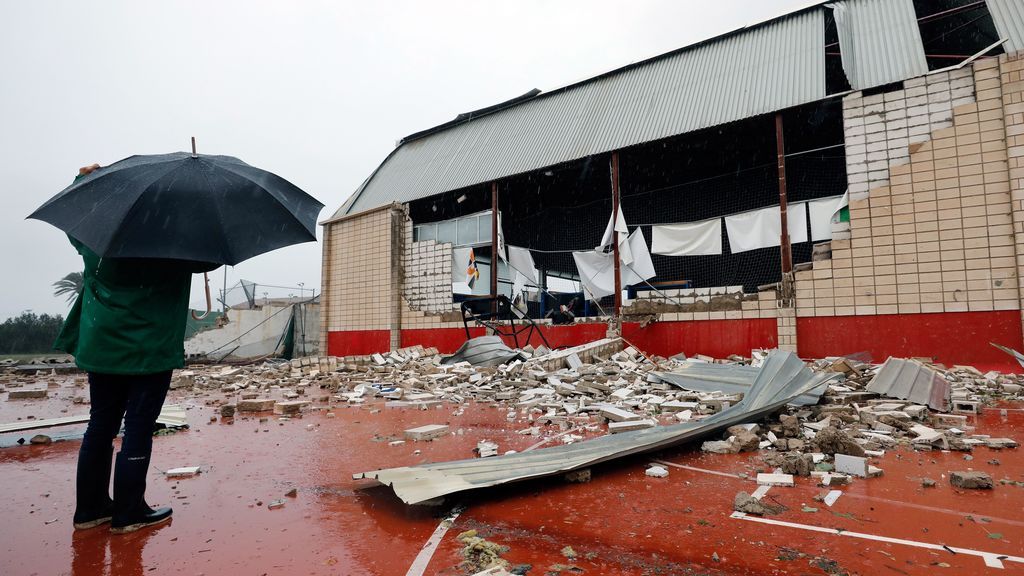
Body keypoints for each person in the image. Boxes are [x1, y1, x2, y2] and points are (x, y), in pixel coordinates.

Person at [57, 163, 218, 533]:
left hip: (102, 345)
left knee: (100, 424)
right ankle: (129, 512)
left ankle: (90, 509)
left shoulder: (96, 238)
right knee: (138, 427)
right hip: (150, 349)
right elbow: (210, 257)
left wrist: (83, 180)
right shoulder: (174, 242)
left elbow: (78, 218)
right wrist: (201, 214)